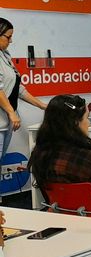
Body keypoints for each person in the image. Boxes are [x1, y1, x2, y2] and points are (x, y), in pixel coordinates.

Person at [28, 95, 91, 202]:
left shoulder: (39, 154)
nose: (88, 123)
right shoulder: (87, 158)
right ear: (76, 122)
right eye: (86, 118)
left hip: (57, 214)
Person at [0, 18, 47, 161]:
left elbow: (18, 88)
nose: (11, 41)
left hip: (6, 121)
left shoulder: (5, 56)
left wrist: (43, 105)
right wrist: (11, 112)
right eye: (8, 37)